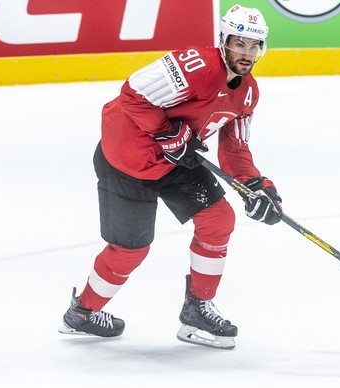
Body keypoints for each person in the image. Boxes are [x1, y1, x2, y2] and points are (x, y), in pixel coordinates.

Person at [58, 4, 282, 350]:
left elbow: (234, 148)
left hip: (176, 161)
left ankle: (197, 309)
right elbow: (133, 93)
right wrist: (166, 131)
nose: (248, 54)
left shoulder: (248, 93)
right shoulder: (195, 64)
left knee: (219, 219)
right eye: (240, 44)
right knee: (130, 250)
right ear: (224, 41)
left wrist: (256, 185)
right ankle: (82, 313)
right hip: (127, 160)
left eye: (255, 46)